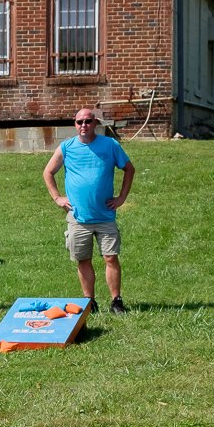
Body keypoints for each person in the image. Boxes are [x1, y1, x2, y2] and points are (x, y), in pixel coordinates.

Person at [42, 108, 135, 314]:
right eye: (79, 122)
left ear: (95, 123)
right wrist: (57, 197)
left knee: (110, 257)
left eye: (88, 121)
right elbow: (48, 172)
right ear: (75, 125)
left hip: (105, 216)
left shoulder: (110, 145)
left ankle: (116, 301)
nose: (83, 125)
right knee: (83, 259)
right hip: (78, 218)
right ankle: (89, 302)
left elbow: (129, 169)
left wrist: (121, 198)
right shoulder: (67, 147)